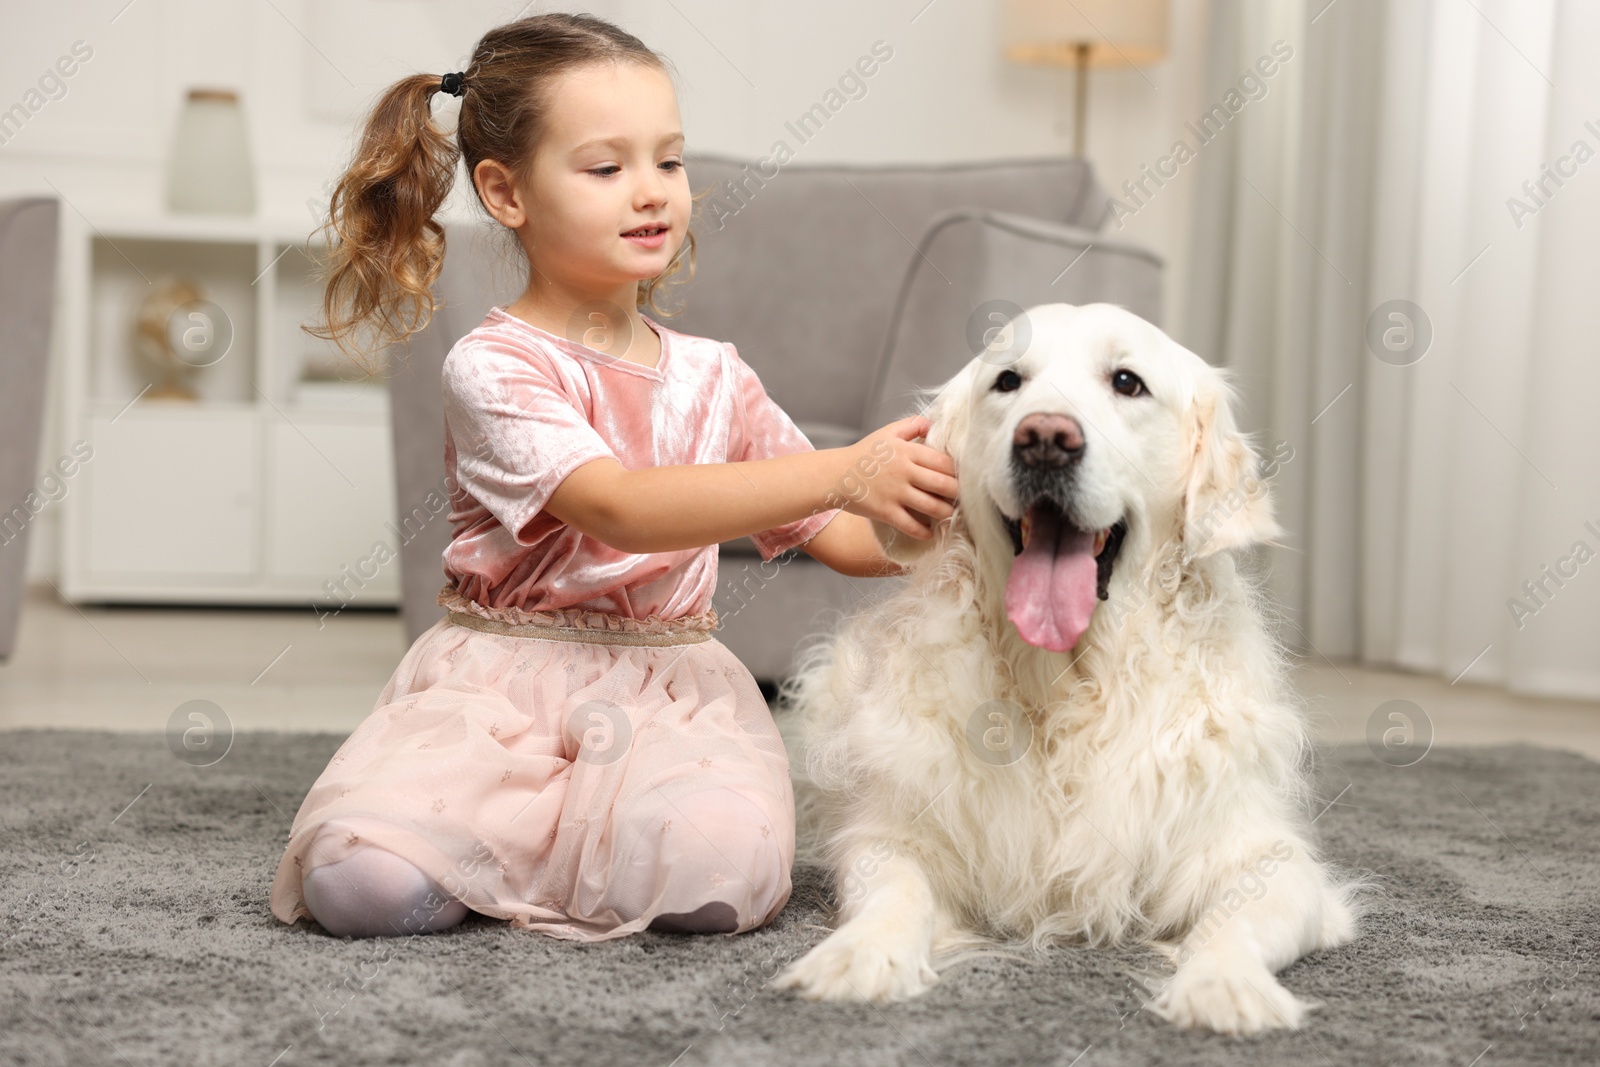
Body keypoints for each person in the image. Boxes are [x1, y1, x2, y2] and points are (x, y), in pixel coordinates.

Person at [266, 12, 958, 942]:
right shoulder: (493, 364)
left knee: (717, 879)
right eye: (606, 167)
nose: (652, 193)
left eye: (668, 162)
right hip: (501, 695)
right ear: (505, 193)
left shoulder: (718, 375)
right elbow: (618, 508)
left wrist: (957, 507)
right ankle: (498, 843)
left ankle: (543, 854)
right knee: (362, 889)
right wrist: (842, 469)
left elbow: (850, 543)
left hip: (668, 698)